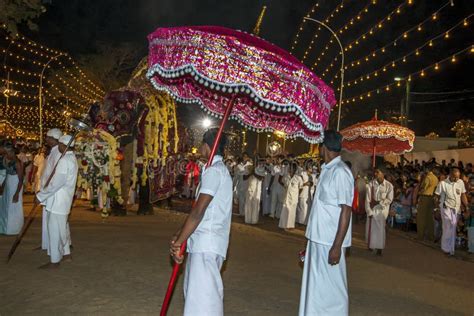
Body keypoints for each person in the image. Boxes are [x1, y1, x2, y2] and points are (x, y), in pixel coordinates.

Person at [169, 128, 232, 316]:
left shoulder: (214, 171)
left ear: (206, 146)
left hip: (207, 244)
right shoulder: (215, 170)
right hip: (202, 243)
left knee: (204, 302)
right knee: (196, 297)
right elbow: (197, 211)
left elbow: (199, 211)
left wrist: (180, 241)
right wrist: (180, 235)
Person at [299, 130, 354, 316]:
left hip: (330, 241)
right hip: (318, 238)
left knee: (333, 287)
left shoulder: (341, 172)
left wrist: (337, 246)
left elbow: (346, 210)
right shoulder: (327, 169)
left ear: (324, 148)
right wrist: (309, 241)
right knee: (316, 287)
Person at [36, 135, 78, 268]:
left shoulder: (65, 160)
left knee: (54, 230)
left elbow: (56, 184)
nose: (58, 146)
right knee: (61, 228)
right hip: (62, 200)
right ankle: (66, 254)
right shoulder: (70, 158)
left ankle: (54, 261)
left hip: (58, 201)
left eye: (60, 143)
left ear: (64, 145)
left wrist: (41, 196)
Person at [38, 128, 63, 251]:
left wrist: (44, 192)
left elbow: (56, 177)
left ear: (54, 139)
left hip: (53, 192)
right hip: (46, 190)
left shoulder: (59, 153)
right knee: (46, 219)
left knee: (56, 222)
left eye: (48, 137)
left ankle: (60, 247)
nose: (46, 139)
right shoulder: (52, 152)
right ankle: (46, 244)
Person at [434, 167, 468, 256]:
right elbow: (436, 197)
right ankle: (446, 249)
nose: (456, 179)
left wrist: (467, 207)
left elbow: (463, 195)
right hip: (446, 208)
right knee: (448, 227)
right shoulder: (442, 183)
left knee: (453, 228)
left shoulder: (460, 182)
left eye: (458, 177)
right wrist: (436, 209)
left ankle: (451, 249)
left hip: (456, 209)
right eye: (454, 177)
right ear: (450, 175)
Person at [365, 166, 394, 255]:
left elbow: (389, 199)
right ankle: (371, 245)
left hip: (382, 211)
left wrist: (379, 202)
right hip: (372, 210)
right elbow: (367, 199)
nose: (375, 174)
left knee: (380, 229)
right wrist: (369, 211)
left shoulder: (389, 185)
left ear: (383, 173)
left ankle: (379, 248)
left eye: (378, 172)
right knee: (371, 228)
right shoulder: (371, 184)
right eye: (375, 172)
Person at [0, 145, 24, 235]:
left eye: (6, 153)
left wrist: (17, 193)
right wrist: (3, 186)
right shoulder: (8, 160)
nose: (5, 155)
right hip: (9, 183)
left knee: (13, 207)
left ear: (11, 152)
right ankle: (5, 228)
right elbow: (7, 174)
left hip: (15, 184)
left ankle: (14, 228)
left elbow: (21, 180)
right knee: (6, 206)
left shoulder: (18, 163)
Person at [416, 164, 439, 241]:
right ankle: (431, 237)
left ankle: (420, 236)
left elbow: (423, 188)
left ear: (427, 169)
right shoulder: (436, 178)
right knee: (430, 218)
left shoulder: (428, 177)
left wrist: (419, 193)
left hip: (425, 198)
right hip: (432, 198)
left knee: (421, 218)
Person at [279, 162, 300, 230]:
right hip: (286, 196)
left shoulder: (298, 178)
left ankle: (290, 226)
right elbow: (281, 182)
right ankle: (283, 225)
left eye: (291, 168)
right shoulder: (286, 176)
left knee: (292, 212)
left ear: (294, 169)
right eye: (289, 168)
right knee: (285, 210)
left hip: (294, 197)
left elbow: (301, 187)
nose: (290, 169)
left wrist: (297, 195)